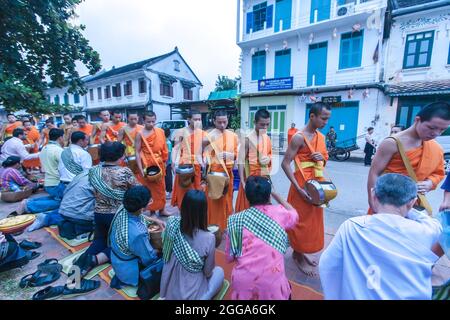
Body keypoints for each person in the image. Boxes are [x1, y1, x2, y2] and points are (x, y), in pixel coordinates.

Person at [319, 174, 442, 300]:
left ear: (373, 195)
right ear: (412, 202)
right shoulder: (428, 232)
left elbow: (328, 265)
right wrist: (405, 203)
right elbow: (433, 223)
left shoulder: (353, 227)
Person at [367, 102, 449, 214]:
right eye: (431, 127)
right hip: (386, 204)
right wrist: (373, 202)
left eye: (442, 130)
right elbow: (374, 173)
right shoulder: (391, 143)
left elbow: (438, 173)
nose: (436, 133)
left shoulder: (436, 148)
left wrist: (430, 183)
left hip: (414, 205)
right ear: (417, 120)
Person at [225, 176, 298, 300]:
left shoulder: (235, 220)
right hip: (273, 284)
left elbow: (230, 256)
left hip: (243, 284)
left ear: (247, 198)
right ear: (269, 196)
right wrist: (277, 195)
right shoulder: (280, 213)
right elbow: (294, 214)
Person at [281, 102, 331, 278]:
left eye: (327, 119)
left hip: (317, 184)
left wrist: (321, 160)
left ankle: (301, 252)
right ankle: (298, 254)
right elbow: (285, 163)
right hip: (301, 185)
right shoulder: (298, 137)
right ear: (312, 116)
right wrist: (298, 188)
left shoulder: (321, 137)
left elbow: (324, 159)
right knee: (299, 222)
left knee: (312, 222)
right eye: (323, 118)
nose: (326, 122)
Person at [73, 142, 138, 277]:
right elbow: (136, 192)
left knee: (99, 241)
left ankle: (78, 270)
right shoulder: (124, 171)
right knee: (124, 245)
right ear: (120, 155)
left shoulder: (94, 171)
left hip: (98, 213)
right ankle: (95, 260)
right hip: (118, 215)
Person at [160, 190, 224, 300]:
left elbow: (166, 253)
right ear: (203, 211)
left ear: (183, 207)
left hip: (171, 289)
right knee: (219, 272)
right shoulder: (209, 238)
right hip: (193, 292)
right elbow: (208, 272)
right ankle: (205, 297)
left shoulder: (171, 223)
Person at [109, 186, 164, 289]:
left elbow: (139, 216)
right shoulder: (138, 234)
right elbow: (149, 258)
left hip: (117, 259)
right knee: (165, 259)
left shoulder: (123, 208)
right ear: (142, 208)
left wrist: (155, 220)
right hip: (129, 272)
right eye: (149, 201)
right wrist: (159, 250)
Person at [27, 171, 95, 238]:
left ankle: (46, 217)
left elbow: (66, 191)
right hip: (78, 214)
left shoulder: (84, 173)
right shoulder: (101, 177)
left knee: (69, 206)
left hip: (64, 207)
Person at [203, 110, 238, 231]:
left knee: (227, 200)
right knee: (214, 200)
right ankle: (213, 225)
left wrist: (230, 155)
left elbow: (237, 155)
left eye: (224, 122)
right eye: (219, 122)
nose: (222, 125)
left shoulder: (233, 136)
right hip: (215, 175)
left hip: (228, 174)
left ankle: (225, 224)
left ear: (228, 120)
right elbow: (203, 154)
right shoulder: (209, 136)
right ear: (214, 121)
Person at [18, 128, 65, 214]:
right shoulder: (58, 150)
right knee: (62, 202)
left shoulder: (44, 148)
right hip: (56, 182)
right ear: (60, 138)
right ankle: (29, 206)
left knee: (56, 198)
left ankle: (28, 202)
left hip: (48, 182)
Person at [235, 109, 272, 212]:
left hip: (264, 177)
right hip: (251, 179)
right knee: (248, 207)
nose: (265, 128)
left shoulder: (267, 138)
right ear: (254, 122)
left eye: (267, 125)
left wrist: (268, 158)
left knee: (263, 208)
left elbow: (269, 155)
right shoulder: (247, 139)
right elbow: (241, 161)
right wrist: (242, 181)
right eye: (262, 124)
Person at [171, 110, 207, 210]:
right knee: (183, 189)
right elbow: (176, 148)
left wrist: (204, 161)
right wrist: (173, 164)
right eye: (195, 119)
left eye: (199, 119)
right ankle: (183, 212)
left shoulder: (203, 133)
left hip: (197, 164)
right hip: (184, 165)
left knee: (196, 189)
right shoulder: (181, 132)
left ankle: (194, 212)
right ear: (189, 119)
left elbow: (205, 150)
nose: (198, 122)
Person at [135, 112, 169, 216]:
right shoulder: (139, 134)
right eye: (148, 121)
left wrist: (165, 161)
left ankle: (162, 209)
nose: (151, 123)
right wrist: (141, 169)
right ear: (143, 121)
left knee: (162, 188)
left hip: (159, 163)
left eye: (153, 121)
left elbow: (164, 148)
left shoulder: (160, 132)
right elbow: (137, 152)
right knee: (150, 189)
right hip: (147, 163)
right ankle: (152, 210)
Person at [164, 128, 173, 199]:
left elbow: (168, 154)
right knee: (167, 176)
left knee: (168, 177)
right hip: (167, 162)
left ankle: (169, 192)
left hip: (167, 163)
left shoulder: (167, 143)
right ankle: (168, 191)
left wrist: (166, 163)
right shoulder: (166, 142)